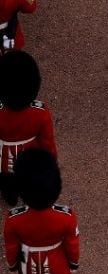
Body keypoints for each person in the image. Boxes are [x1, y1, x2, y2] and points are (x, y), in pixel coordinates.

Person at [0, 50, 57, 206]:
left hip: (3, 158)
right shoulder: (40, 113)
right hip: (29, 159)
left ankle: (9, 195)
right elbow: (47, 142)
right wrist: (50, 162)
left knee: (6, 180)